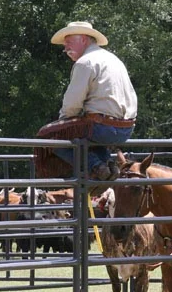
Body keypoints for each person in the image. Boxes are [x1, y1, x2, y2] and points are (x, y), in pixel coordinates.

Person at [47, 21, 137, 180]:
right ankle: (108, 165)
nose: (65, 47)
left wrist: (61, 125)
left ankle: (96, 166)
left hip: (102, 127)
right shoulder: (113, 59)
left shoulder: (85, 62)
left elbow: (72, 104)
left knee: (49, 137)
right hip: (126, 129)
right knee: (88, 134)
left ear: (83, 39)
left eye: (68, 42)